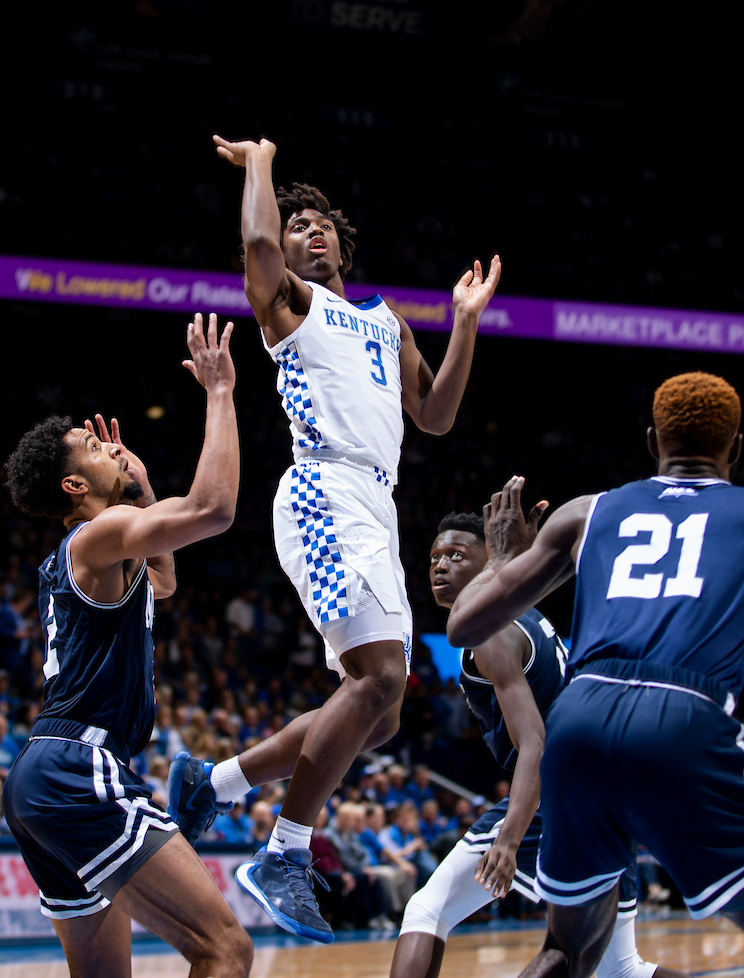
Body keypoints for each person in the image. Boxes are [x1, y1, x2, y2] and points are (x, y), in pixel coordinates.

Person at [175, 133, 500, 944]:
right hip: (323, 485)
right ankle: (285, 851)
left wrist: (463, 323)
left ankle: (212, 782)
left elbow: (436, 416)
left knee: (381, 715)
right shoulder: (289, 304)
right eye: (296, 227)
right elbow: (253, 244)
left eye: (320, 224)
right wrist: (260, 167)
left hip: (378, 504)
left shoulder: (387, 321)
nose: (308, 232)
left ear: (342, 241)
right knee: (380, 677)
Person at [446, 372, 744, 978]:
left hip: (579, 720)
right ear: (736, 448)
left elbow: (464, 625)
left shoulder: (589, 512)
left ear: (653, 439)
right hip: (683, 716)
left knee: (566, 950)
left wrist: (502, 560)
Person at [1, 315, 253, 978]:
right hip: (81, 766)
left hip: (41, 775)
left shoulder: (93, 549)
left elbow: (162, 580)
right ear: (75, 488)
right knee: (226, 949)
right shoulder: (98, 535)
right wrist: (221, 393)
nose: (109, 446)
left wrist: (137, 481)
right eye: (92, 446)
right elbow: (215, 509)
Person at [391, 496, 675, 978]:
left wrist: (509, 837)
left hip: (554, 794)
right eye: (435, 557)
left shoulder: (490, 631)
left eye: (457, 556)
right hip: (599, 795)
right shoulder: (526, 615)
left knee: (427, 910)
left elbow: (535, 743)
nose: (440, 566)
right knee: (622, 971)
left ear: (488, 560)